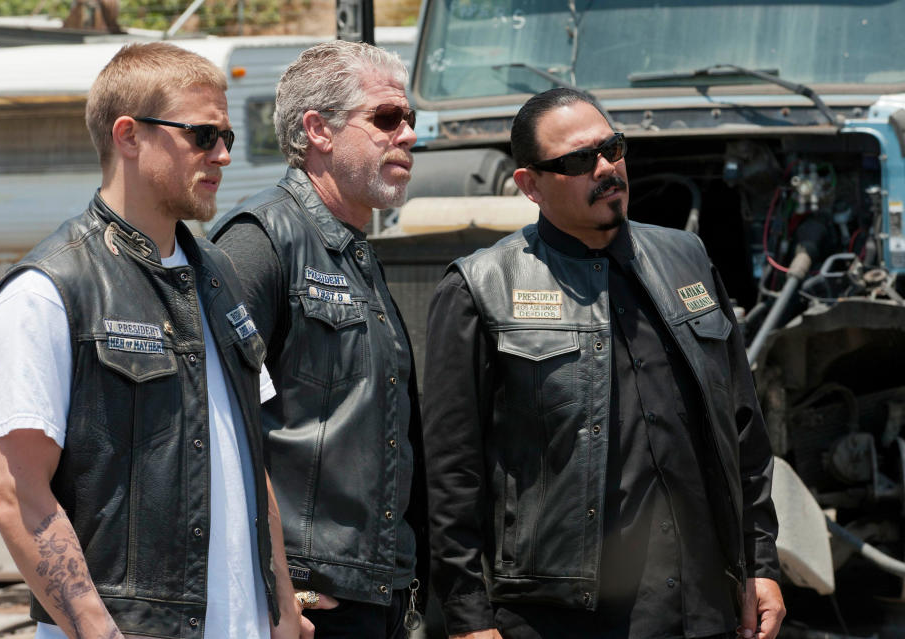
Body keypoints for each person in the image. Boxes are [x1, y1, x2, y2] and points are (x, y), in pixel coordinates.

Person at [422, 87, 786, 639]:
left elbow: (742, 428)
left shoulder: (687, 257)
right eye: (577, 160)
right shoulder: (481, 288)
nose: (605, 168)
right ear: (530, 185)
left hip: (704, 609)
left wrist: (760, 563)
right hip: (561, 618)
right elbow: (452, 471)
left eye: (611, 149)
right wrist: (467, 617)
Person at [0, 42, 307, 639]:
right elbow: (14, 493)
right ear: (128, 134)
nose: (225, 156)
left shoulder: (217, 274)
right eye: (204, 136)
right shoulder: (49, 289)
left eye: (228, 138)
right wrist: (99, 632)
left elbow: (247, 456)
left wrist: (283, 606)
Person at [209, 40, 428, 638]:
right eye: (387, 118)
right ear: (318, 131)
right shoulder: (259, 242)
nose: (407, 135)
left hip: (374, 593)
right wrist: (275, 585)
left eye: (411, 119)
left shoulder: (356, 251)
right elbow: (214, 427)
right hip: (306, 605)